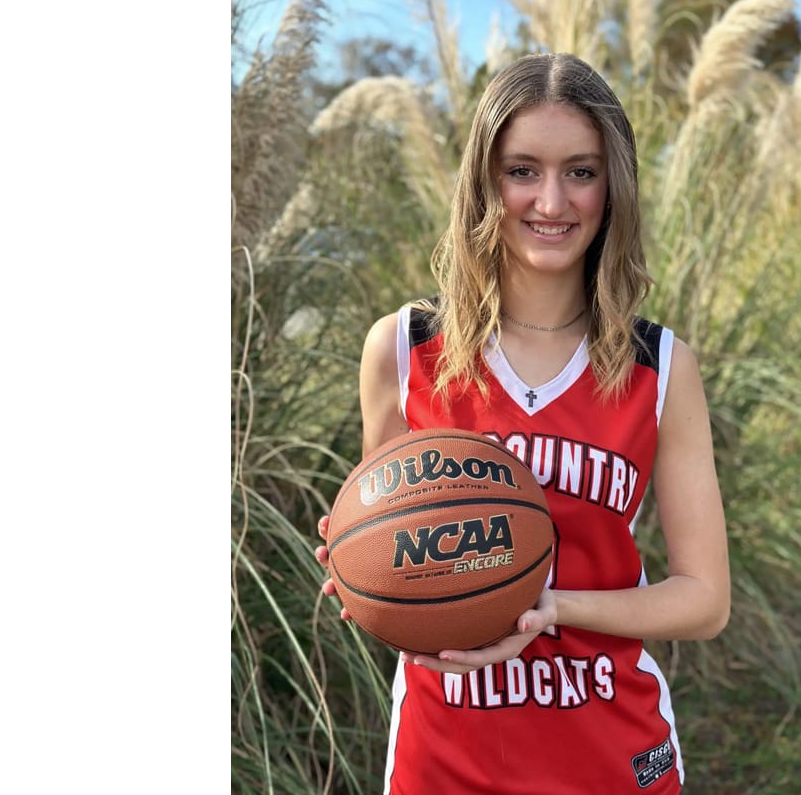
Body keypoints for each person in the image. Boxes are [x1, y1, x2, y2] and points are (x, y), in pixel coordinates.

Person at [313, 53, 730, 794]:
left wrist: (549, 608)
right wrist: (361, 569)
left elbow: (704, 598)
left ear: (614, 187)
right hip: (445, 758)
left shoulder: (658, 367)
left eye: (581, 170)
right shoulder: (405, 352)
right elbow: (388, 554)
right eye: (521, 170)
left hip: (611, 753)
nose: (550, 200)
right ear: (485, 182)